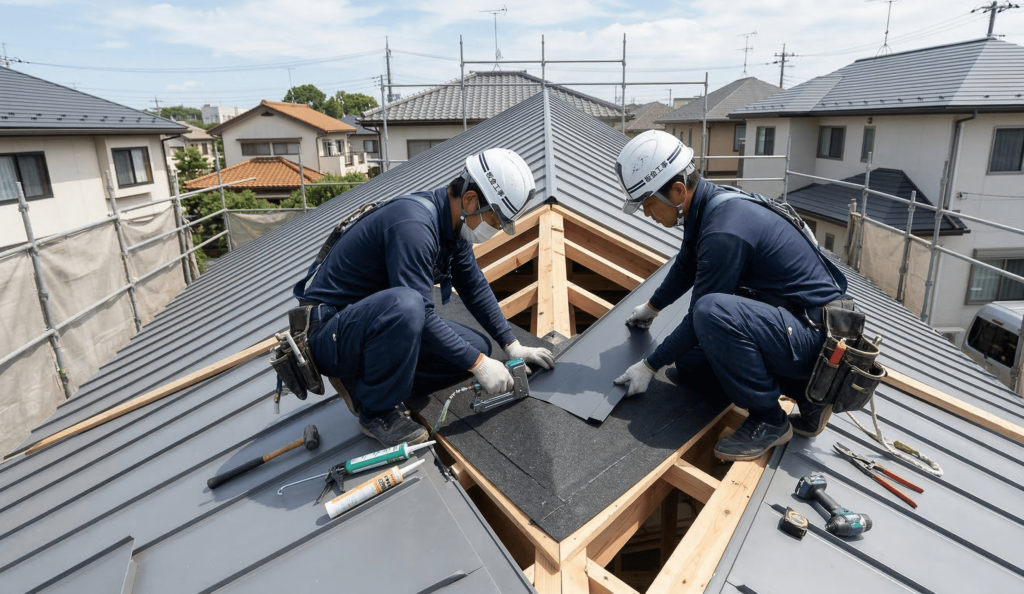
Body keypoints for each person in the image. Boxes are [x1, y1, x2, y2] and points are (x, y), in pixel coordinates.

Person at [610, 131, 849, 461]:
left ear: (677, 191)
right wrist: (653, 307)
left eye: (649, 204)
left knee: (711, 312)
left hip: (815, 338)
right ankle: (808, 397)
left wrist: (649, 366)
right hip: (796, 327)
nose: (648, 214)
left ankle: (770, 419)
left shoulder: (724, 230)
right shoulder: (711, 205)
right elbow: (687, 264)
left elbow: (701, 317)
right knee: (690, 364)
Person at [293, 148, 555, 447]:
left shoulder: (452, 227)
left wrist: (512, 345)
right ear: (470, 200)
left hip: (366, 327)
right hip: (330, 335)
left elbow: (473, 284)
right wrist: (480, 364)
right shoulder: (414, 226)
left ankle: (379, 382)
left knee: (477, 346)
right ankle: (374, 410)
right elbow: (416, 311)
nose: (493, 230)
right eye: (494, 222)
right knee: (412, 307)